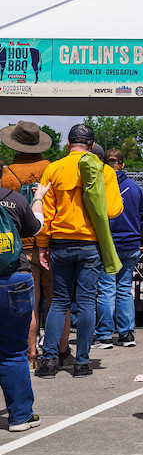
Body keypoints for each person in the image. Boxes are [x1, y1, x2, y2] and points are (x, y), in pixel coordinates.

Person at [34, 124, 122, 379]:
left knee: (59, 302)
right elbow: (113, 211)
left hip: (59, 243)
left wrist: (42, 246)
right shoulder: (104, 171)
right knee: (86, 304)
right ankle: (82, 362)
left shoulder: (53, 168)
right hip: (89, 244)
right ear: (92, 146)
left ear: (68, 142)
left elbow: (45, 213)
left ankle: (49, 360)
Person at [0, 120, 62, 370]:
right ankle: (59, 351)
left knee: (29, 303)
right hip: (52, 242)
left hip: (19, 247)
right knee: (58, 300)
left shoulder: (6, 173)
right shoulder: (51, 168)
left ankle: (31, 354)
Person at [0, 176, 46, 431]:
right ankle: (20, 416)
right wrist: (38, 198)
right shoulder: (14, 199)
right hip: (13, 278)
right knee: (12, 351)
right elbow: (35, 227)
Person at [96, 150, 143, 349]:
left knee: (107, 290)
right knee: (124, 289)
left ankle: (105, 335)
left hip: (109, 245)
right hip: (131, 244)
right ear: (122, 165)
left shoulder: (100, 186)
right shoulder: (135, 188)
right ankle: (127, 334)